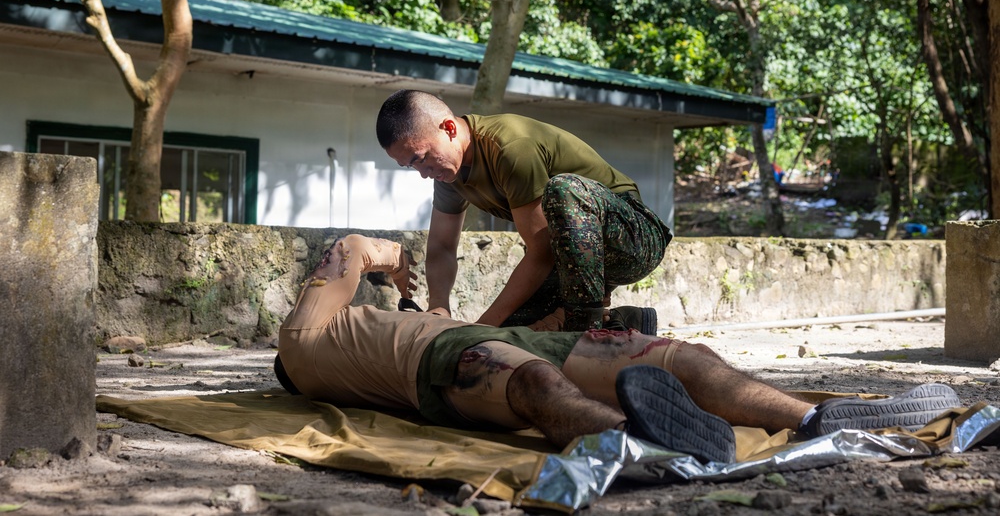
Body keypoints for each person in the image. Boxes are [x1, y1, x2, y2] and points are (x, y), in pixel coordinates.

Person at [276, 234, 963, 463]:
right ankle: (658, 442)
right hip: (436, 366)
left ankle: (816, 417)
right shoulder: (302, 343)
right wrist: (398, 267)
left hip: (488, 337)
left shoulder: (349, 337)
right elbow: (349, 248)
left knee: (678, 357)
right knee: (536, 386)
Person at [374, 89, 670, 334]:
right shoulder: (449, 173)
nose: (423, 173)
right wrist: (439, 305)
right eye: (411, 166)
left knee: (563, 190)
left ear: (449, 128)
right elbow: (441, 246)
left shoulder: (509, 146)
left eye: (421, 158)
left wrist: (481, 327)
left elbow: (541, 251)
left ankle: (585, 328)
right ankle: (626, 323)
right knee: (513, 333)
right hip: (573, 262)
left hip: (633, 236)